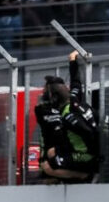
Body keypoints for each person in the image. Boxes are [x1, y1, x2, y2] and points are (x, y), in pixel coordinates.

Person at [36, 51, 100, 183]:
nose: (43, 98)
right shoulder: (73, 98)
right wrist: (72, 60)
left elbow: (88, 133)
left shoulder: (68, 114)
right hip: (83, 152)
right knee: (52, 153)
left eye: (45, 94)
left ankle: (82, 175)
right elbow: (76, 82)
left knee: (48, 166)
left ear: (54, 97)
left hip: (86, 156)